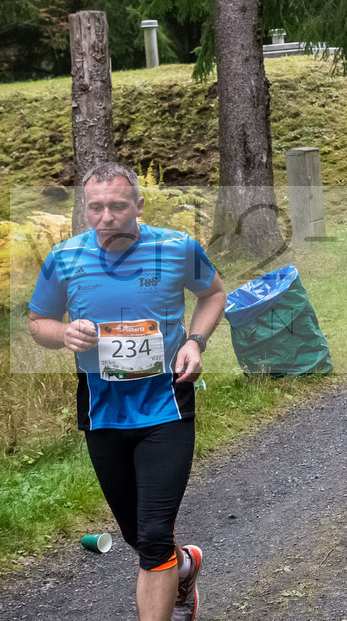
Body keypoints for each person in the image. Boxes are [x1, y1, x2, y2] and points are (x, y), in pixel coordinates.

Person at [28, 162, 226, 621]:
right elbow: (38, 323)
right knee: (140, 535)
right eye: (95, 207)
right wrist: (64, 335)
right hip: (103, 413)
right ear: (85, 208)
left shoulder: (176, 248)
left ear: (138, 205)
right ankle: (186, 565)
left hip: (166, 405)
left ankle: (168, 573)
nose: (106, 217)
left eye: (117, 206)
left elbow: (214, 293)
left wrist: (195, 343)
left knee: (154, 535)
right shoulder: (64, 258)